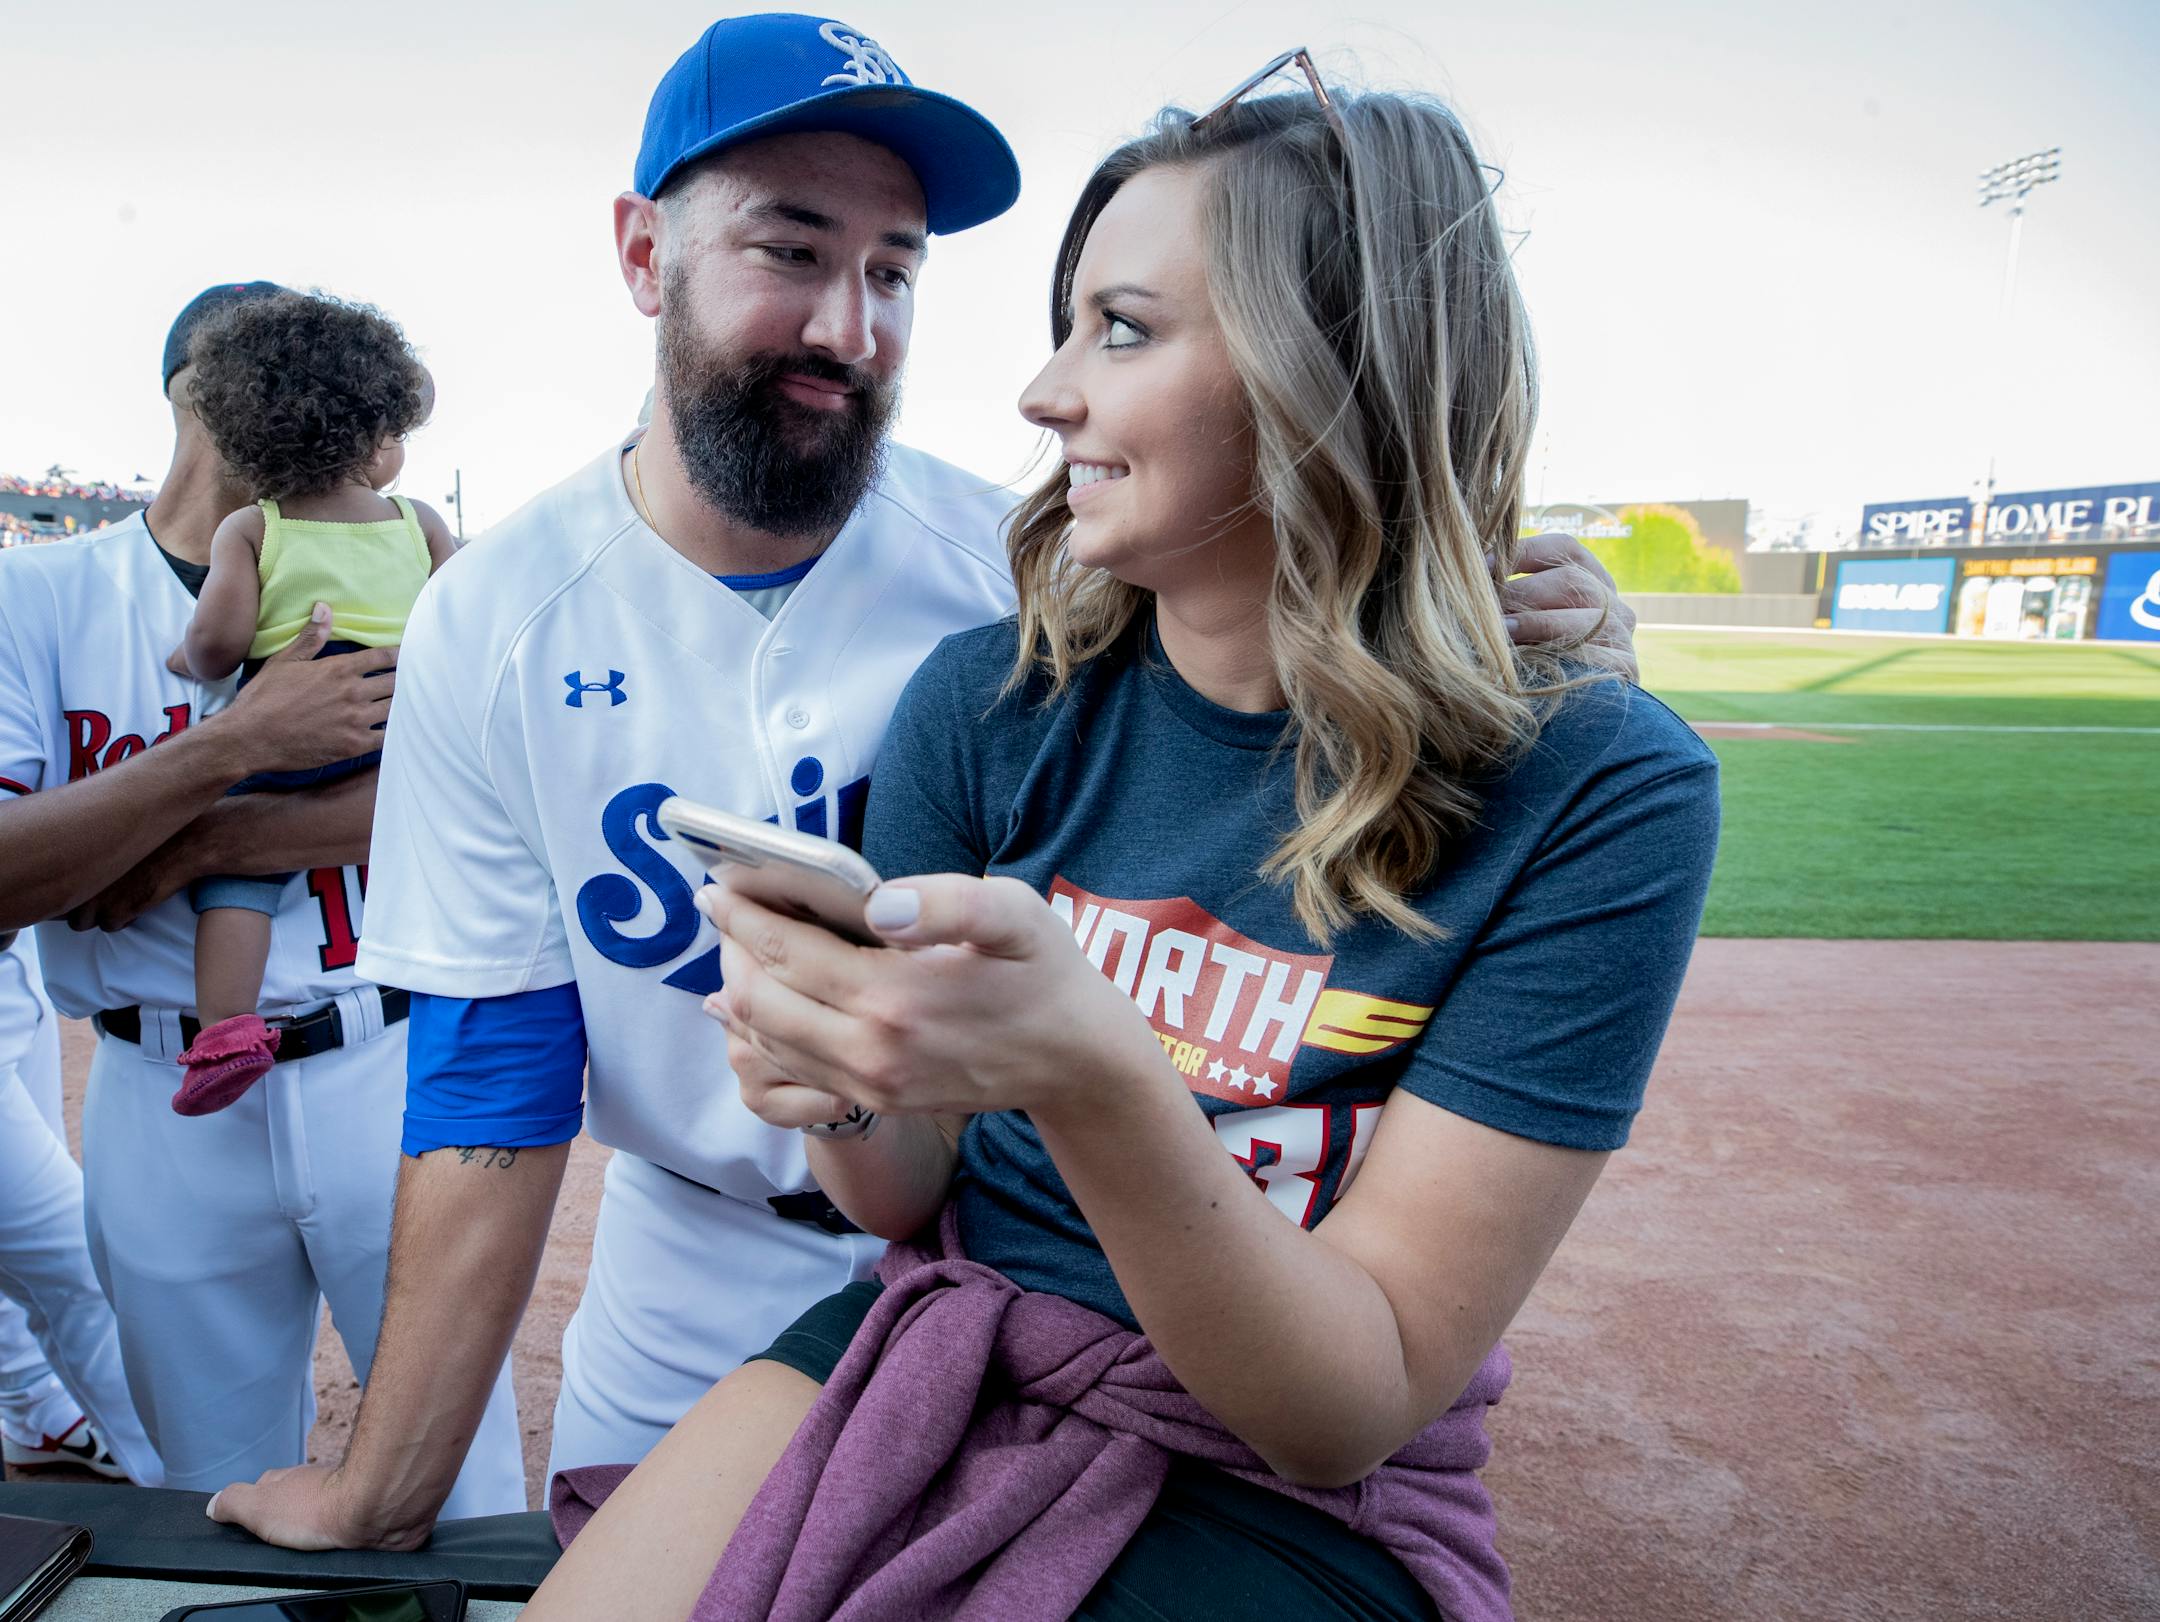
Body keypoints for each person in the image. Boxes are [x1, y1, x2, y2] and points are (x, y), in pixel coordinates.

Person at [208, 14, 1641, 1554]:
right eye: (792, 248)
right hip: (700, 1278)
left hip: (1038, 1259)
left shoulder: (1032, 574)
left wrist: (1534, 636)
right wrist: (387, 1484)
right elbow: (497, 1067)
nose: (851, 325)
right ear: (643, 253)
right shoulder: (493, 619)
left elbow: (1317, 593)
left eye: (895, 269)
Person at [525, 68, 1718, 1622]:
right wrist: (828, 1077)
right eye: (1067, 322)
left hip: (1287, 1480)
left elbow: (1344, 1403)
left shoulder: (1600, 788)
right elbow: (908, 1197)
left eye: (1126, 329)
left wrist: (1096, 1068)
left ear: (1331, 375)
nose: (1043, 393)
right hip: (934, 1344)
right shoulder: (986, 697)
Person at [0, 282, 523, 1508]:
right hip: (157, 1086)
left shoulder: (395, 556)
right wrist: (230, 747)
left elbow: (479, 800)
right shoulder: (43, 596)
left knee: (462, 1484)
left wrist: (193, 840)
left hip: (381, 1055)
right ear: (200, 394)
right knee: (209, 1491)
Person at [168, 291, 456, 1113]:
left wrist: (186, 659)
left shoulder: (254, 529)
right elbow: (459, 630)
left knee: (235, 863)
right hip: (394, 721)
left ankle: (226, 1028)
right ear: (373, 434)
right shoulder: (419, 522)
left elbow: (218, 647)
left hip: (293, 731)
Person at [0, 928, 161, 1485]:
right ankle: (181, 1491)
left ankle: (32, 1411)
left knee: (14, 1241)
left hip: (16, 962)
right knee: (77, 1270)